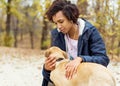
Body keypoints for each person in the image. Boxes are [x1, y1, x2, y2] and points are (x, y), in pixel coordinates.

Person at [42, 0, 110, 86]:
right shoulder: (57, 35)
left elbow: (103, 59)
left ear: (71, 18)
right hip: (65, 81)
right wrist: (46, 69)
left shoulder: (90, 32)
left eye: (61, 21)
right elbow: (51, 75)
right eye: (56, 23)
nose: (58, 27)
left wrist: (81, 59)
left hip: (85, 80)